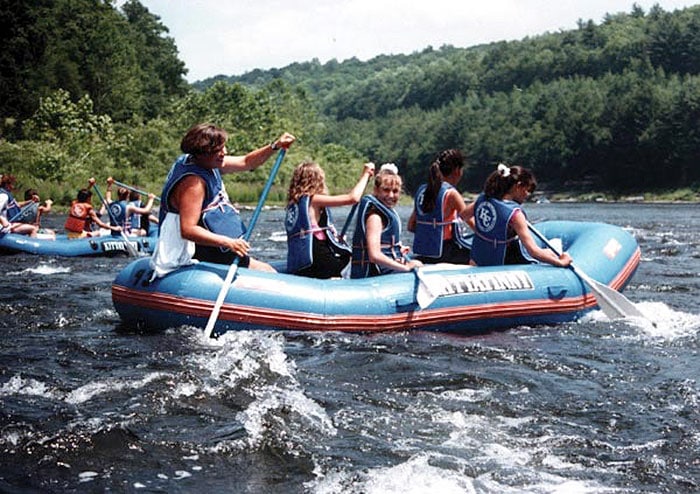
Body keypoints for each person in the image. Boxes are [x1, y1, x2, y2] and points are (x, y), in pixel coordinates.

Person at [150, 123, 296, 278]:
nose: (224, 152)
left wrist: (275, 146)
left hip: (217, 247)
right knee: (268, 274)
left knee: (267, 270)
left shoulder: (207, 162)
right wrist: (228, 243)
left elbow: (247, 162)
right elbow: (188, 229)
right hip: (206, 249)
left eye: (223, 147)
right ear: (202, 153)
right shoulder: (194, 184)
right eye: (218, 150)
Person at [469, 163, 573, 267]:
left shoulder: (483, 199)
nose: (527, 194)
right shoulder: (515, 214)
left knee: (546, 252)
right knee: (548, 253)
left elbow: (463, 215)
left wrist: (483, 233)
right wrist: (560, 262)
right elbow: (534, 252)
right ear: (518, 186)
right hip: (501, 264)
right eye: (526, 190)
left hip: (477, 261)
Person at [285, 160, 375, 278]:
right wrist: (366, 175)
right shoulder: (313, 200)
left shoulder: (293, 203)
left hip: (302, 263)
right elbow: (353, 198)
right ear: (317, 181)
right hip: (320, 261)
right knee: (358, 260)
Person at [350, 163, 423, 278]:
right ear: (376, 190)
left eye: (395, 191)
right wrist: (405, 268)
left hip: (387, 270)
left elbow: (382, 245)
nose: (390, 195)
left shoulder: (386, 213)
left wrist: (396, 249)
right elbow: (374, 255)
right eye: (386, 190)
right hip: (376, 274)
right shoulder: (375, 218)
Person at [407, 149, 474, 264]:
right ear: (457, 170)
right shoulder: (451, 194)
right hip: (446, 252)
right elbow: (473, 224)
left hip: (424, 252)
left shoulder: (422, 191)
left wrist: (429, 234)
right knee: (479, 255)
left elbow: (410, 227)